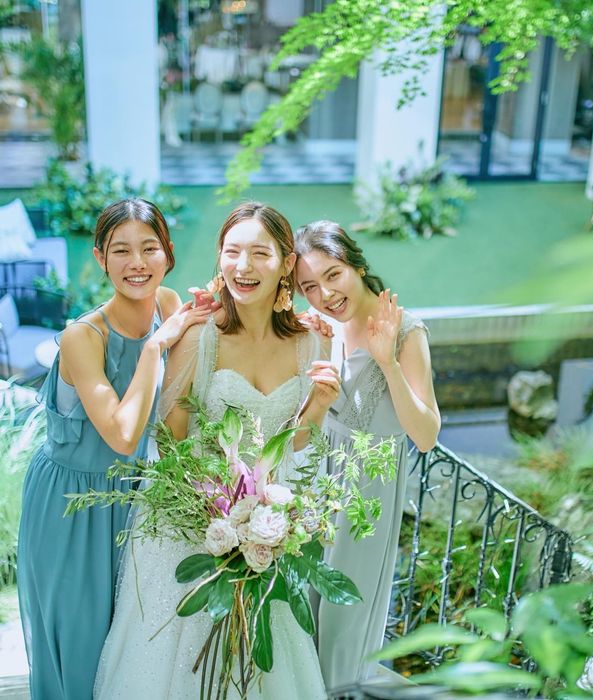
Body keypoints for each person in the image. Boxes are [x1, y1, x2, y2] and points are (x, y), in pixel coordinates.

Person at [94, 202, 340, 699]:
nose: (243, 266)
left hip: (269, 528)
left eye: (260, 253)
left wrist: (319, 405)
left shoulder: (311, 342)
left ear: (287, 263)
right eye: (232, 252)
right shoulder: (199, 336)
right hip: (190, 523)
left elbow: (295, 442)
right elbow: (170, 442)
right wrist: (220, 510)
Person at [17, 199, 213, 700]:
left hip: (132, 498)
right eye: (121, 251)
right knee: (80, 643)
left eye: (149, 248)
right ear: (101, 258)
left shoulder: (167, 303)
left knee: (126, 648)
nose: (137, 263)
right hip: (70, 504)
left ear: (168, 253)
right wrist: (155, 346)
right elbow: (122, 434)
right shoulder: (82, 337)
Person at [294, 220, 441, 690]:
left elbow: (426, 436)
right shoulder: (327, 323)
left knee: (344, 618)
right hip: (320, 477)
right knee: (304, 601)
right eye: (308, 287)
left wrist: (387, 363)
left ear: (356, 265)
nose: (324, 294)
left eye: (332, 275)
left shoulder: (406, 331)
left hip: (366, 491)